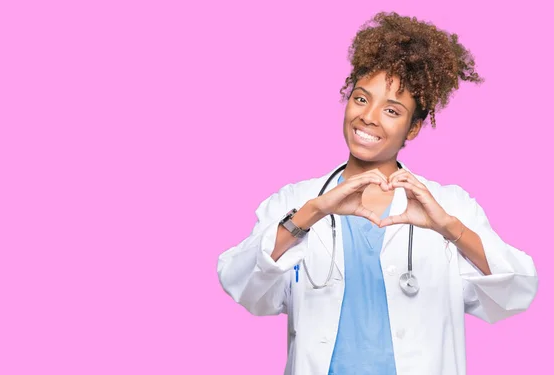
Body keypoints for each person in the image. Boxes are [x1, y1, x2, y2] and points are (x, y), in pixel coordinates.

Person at [216, 12, 538, 375]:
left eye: (391, 110)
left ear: (413, 128)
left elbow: (516, 291)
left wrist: (450, 228)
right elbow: (240, 284)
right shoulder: (299, 200)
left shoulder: (451, 205)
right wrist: (310, 215)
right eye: (360, 99)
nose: (368, 118)